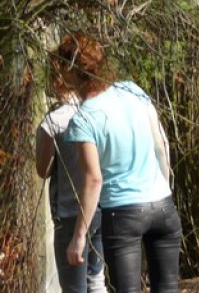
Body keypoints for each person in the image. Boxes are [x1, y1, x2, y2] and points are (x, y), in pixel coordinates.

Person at [52, 31, 182, 293]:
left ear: (71, 71)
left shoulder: (84, 119)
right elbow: (161, 145)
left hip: (123, 215)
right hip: (163, 206)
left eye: (60, 70)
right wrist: (163, 191)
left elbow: (93, 179)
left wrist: (78, 237)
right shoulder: (132, 90)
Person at [35, 64, 106, 293]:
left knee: (74, 288)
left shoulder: (52, 122)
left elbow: (43, 170)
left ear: (57, 80)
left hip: (69, 215)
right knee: (96, 282)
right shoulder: (95, 112)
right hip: (98, 208)